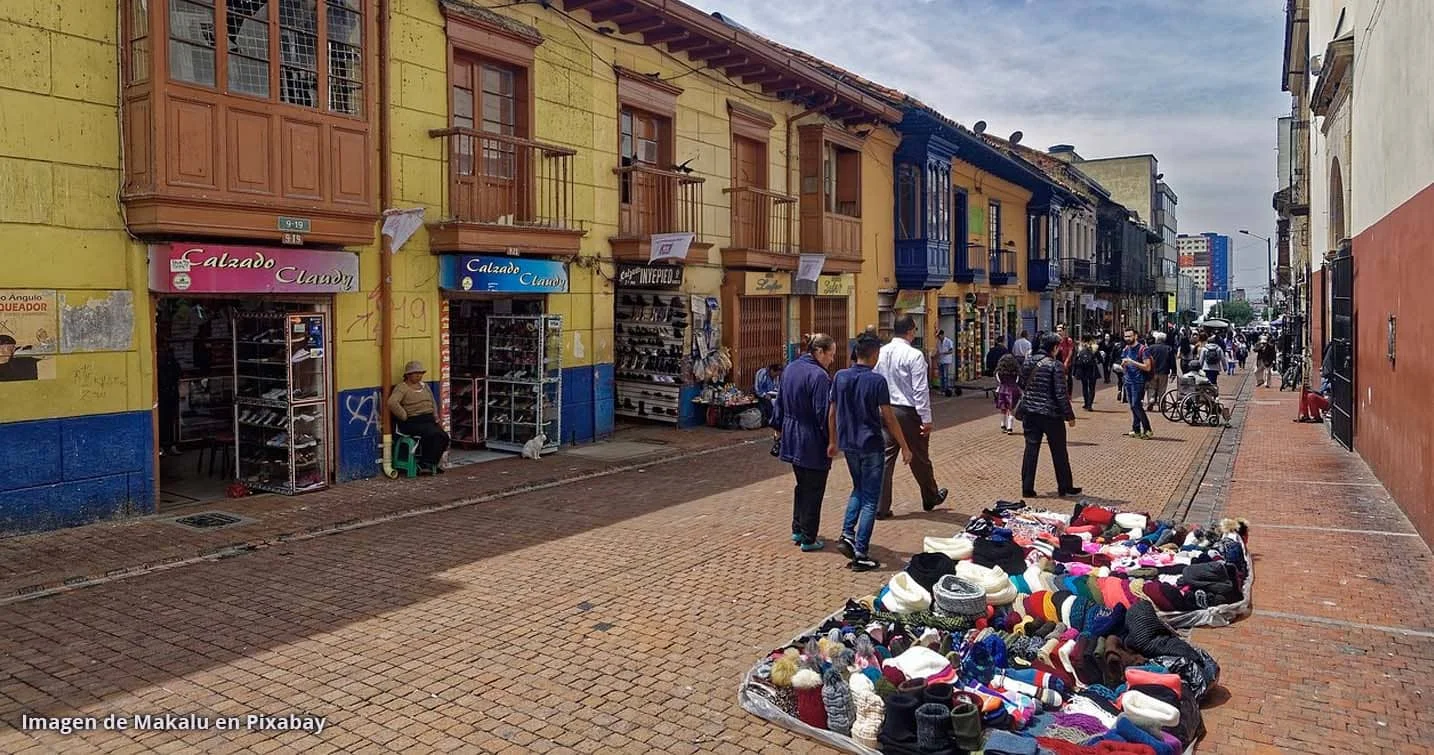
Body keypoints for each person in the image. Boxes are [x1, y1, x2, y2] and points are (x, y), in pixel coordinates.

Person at [831, 333, 910, 572]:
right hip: (871, 444)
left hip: (849, 444)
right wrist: (904, 446)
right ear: (874, 355)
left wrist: (832, 441)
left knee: (858, 488)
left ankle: (847, 533)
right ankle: (861, 551)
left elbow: (832, 412)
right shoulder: (877, 381)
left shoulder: (840, 377)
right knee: (870, 499)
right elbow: (889, 417)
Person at [874, 316, 948, 519]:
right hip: (908, 412)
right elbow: (920, 391)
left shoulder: (880, 353)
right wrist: (926, 419)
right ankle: (930, 495)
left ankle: (881, 506)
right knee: (920, 457)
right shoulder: (914, 356)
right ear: (910, 331)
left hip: (885, 409)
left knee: (886, 458)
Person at [772, 334, 837, 551]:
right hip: (810, 438)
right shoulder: (819, 376)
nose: (832, 360)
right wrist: (831, 440)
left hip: (791, 434)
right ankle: (808, 537)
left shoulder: (790, 368)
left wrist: (778, 429)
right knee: (814, 488)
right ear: (819, 352)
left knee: (802, 485)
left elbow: (779, 402)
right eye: (831, 354)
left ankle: (798, 528)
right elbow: (823, 413)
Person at [1018, 334, 1079, 498]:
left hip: (1030, 412)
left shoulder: (1028, 361)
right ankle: (1065, 486)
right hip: (1051, 414)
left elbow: (1021, 383)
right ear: (1054, 348)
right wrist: (1069, 415)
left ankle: (1027, 487)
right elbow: (1061, 393)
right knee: (1059, 451)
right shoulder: (1055, 365)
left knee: (1031, 449)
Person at [388, 361, 450, 473]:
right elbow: (392, 403)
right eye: (415, 373)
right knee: (433, 435)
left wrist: (436, 417)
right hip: (413, 421)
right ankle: (425, 463)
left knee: (444, 436)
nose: (418, 375)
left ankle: (431, 463)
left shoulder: (425, 386)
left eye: (420, 373)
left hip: (428, 420)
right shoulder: (402, 387)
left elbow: (432, 402)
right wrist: (404, 416)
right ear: (407, 375)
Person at [1119, 329, 1154, 438]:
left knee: (1136, 405)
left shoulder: (1143, 350)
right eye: (1126, 336)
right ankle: (1136, 429)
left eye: (1129, 336)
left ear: (1135, 336)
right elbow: (1124, 363)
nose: (1127, 339)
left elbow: (1147, 367)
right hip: (1128, 380)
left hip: (1138, 381)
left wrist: (1132, 362)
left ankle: (1148, 429)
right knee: (1132, 406)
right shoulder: (1126, 349)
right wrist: (1123, 365)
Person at [1144, 332, 1175, 412]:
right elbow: (1172, 361)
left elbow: (1146, 359)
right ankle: (1162, 404)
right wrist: (1174, 372)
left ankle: (1151, 399)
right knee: (1162, 389)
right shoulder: (1168, 348)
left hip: (1152, 371)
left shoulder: (1150, 348)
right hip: (1164, 371)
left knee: (1151, 387)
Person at [994, 351, 1023, 433]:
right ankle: (1010, 427)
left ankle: (1003, 425)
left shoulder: (999, 372)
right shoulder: (1016, 372)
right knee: (1011, 410)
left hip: (1002, 390)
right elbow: (1018, 381)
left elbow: (999, 381)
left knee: (1003, 408)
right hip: (1013, 391)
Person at [1072, 337, 1101, 412]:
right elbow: (1100, 359)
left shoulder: (1079, 349)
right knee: (1092, 388)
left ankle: (1086, 403)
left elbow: (1075, 360)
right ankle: (1090, 405)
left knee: (1084, 387)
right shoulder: (1095, 349)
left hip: (1082, 370)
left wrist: (1074, 372)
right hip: (1092, 370)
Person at [1053, 324, 1076, 394]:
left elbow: (1070, 352)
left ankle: (1069, 394)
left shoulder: (1068, 340)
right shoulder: (1056, 341)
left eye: (1060, 331)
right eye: (1057, 331)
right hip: (1058, 362)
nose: (1059, 333)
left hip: (1067, 363)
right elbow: (1054, 354)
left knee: (1069, 378)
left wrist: (1066, 362)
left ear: (1064, 331)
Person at [936, 329, 956, 397]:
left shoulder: (948, 341)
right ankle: (942, 389)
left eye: (939, 336)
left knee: (945, 376)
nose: (938, 337)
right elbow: (938, 351)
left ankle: (946, 389)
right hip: (941, 360)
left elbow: (951, 351)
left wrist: (943, 353)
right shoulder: (938, 342)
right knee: (941, 376)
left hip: (946, 360)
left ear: (942, 335)